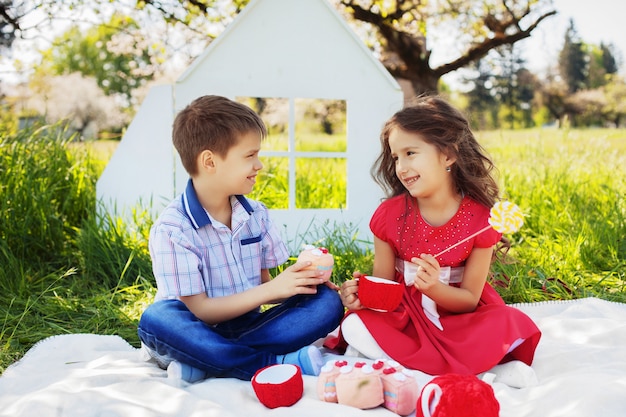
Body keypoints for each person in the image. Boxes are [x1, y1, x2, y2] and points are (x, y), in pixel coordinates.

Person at [138, 95, 344, 383]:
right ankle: (268, 364)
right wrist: (271, 291)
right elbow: (201, 311)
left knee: (327, 302)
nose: (259, 164)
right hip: (193, 330)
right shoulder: (173, 228)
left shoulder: (256, 215)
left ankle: (208, 364)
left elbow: (264, 284)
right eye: (250, 156)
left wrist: (299, 283)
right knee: (157, 318)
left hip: (250, 326)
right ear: (210, 161)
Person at [334, 95, 541, 377]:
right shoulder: (388, 215)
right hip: (403, 318)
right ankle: (467, 367)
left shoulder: (482, 219)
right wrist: (362, 296)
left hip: (457, 318)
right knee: (354, 324)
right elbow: (383, 286)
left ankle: (415, 364)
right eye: (396, 157)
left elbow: (469, 299)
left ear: (448, 155)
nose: (401, 167)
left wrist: (433, 288)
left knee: (507, 320)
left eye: (410, 153)